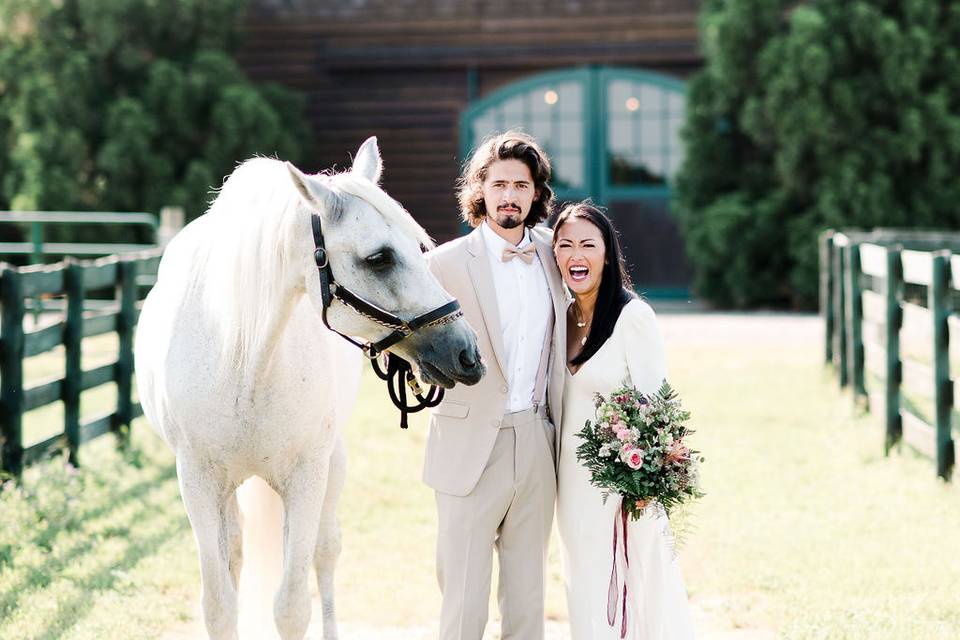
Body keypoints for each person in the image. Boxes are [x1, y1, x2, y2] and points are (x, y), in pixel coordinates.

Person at [422, 130, 568, 639]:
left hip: (536, 442)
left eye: (521, 186)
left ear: (536, 193)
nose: (510, 196)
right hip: (467, 446)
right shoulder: (441, 264)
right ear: (480, 189)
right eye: (499, 183)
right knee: (463, 601)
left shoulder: (557, 255)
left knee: (528, 599)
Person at [552, 202, 695, 639]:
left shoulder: (634, 318)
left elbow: (659, 407)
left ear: (608, 254)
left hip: (624, 489)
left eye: (588, 245)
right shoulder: (560, 314)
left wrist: (643, 485)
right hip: (570, 485)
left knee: (633, 586)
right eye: (565, 245)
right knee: (583, 584)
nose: (577, 255)